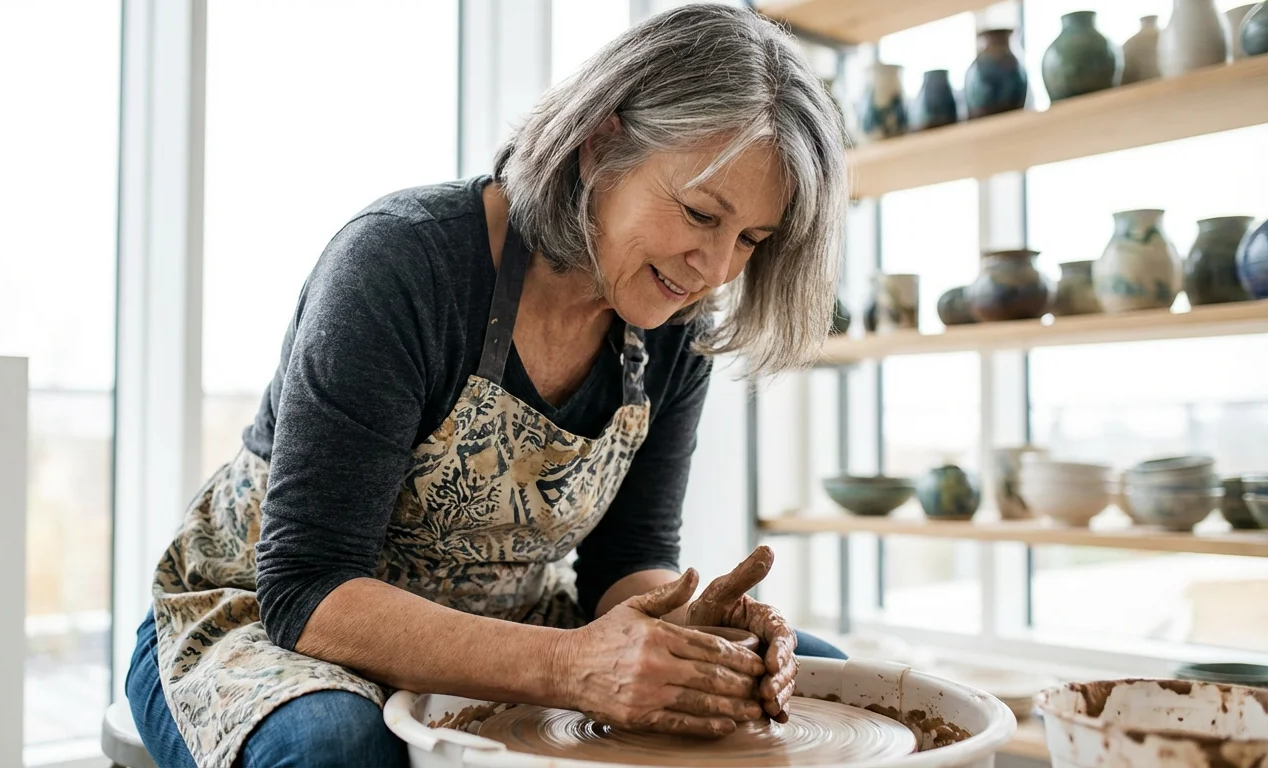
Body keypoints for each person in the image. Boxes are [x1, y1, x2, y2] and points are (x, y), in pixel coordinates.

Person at [126, 4, 850, 767]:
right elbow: (306, 589)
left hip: (512, 621)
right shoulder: (403, 265)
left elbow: (625, 558)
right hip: (272, 625)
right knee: (335, 747)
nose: (717, 267)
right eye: (701, 213)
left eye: (751, 241)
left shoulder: (675, 318)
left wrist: (682, 625)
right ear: (601, 141)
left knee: (818, 674)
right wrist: (574, 667)